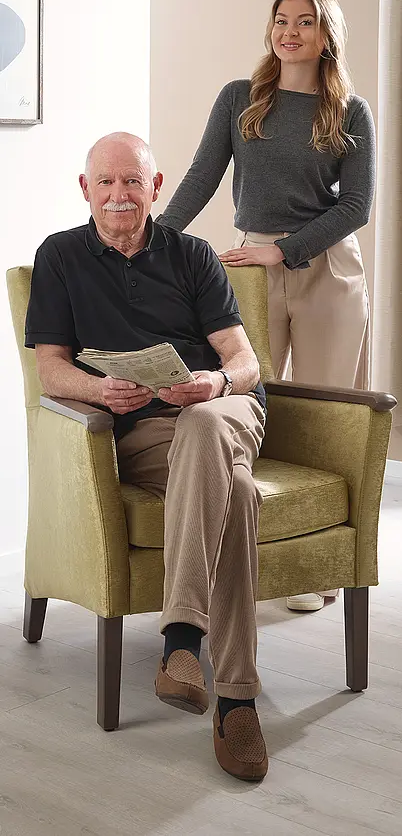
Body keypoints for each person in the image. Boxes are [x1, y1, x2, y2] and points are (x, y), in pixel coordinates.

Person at [25, 132, 269, 782]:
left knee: (203, 425)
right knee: (237, 494)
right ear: (86, 190)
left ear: (155, 189)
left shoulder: (191, 255)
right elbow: (51, 371)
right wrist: (97, 388)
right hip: (140, 434)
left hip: (221, 414)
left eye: (132, 181)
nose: (118, 194)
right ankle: (237, 700)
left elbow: (244, 360)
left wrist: (214, 384)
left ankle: (183, 640)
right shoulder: (60, 257)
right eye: (105, 182)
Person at [157, 0, 376, 614]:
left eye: (305, 22)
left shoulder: (350, 111)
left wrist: (287, 250)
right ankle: (252, 548)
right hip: (249, 263)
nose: (290, 32)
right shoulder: (240, 99)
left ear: (325, 34)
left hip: (327, 266)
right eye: (281, 20)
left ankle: (320, 565)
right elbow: (202, 177)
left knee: (328, 405)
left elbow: (356, 205)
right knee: (251, 400)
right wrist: (155, 241)